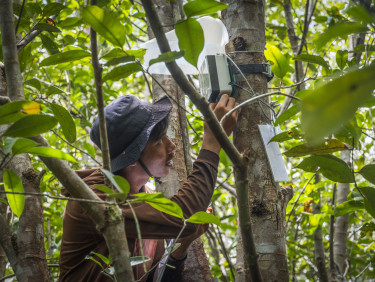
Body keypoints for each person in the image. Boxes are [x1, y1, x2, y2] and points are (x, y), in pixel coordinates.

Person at [58, 94, 238, 281]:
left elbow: (153, 278)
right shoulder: (94, 199)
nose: (172, 146)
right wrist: (212, 142)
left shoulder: (145, 198)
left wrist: (180, 247)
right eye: (159, 141)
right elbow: (183, 215)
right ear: (130, 160)